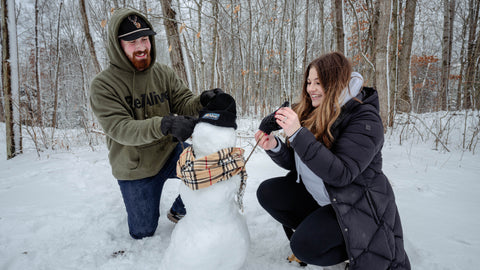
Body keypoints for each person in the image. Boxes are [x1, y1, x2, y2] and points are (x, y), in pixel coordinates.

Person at [255, 52, 410, 269]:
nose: (311, 89)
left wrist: (297, 133)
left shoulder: (364, 118)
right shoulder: (314, 110)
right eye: (309, 82)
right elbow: (303, 163)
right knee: (268, 192)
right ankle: (320, 233)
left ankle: (353, 250)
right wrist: (275, 147)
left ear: (335, 81)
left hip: (356, 204)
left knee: (304, 246)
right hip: (325, 197)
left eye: (319, 82)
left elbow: (341, 173)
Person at [89, 8, 222, 239]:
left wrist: (203, 100)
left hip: (169, 152)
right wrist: (165, 124)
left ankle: (180, 209)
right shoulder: (103, 85)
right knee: (143, 232)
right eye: (131, 41)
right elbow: (121, 129)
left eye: (144, 39)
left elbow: (184, 102)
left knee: (214, 165)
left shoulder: (162, 72)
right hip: (135, 166)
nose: (141, 46)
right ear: (116, 45)